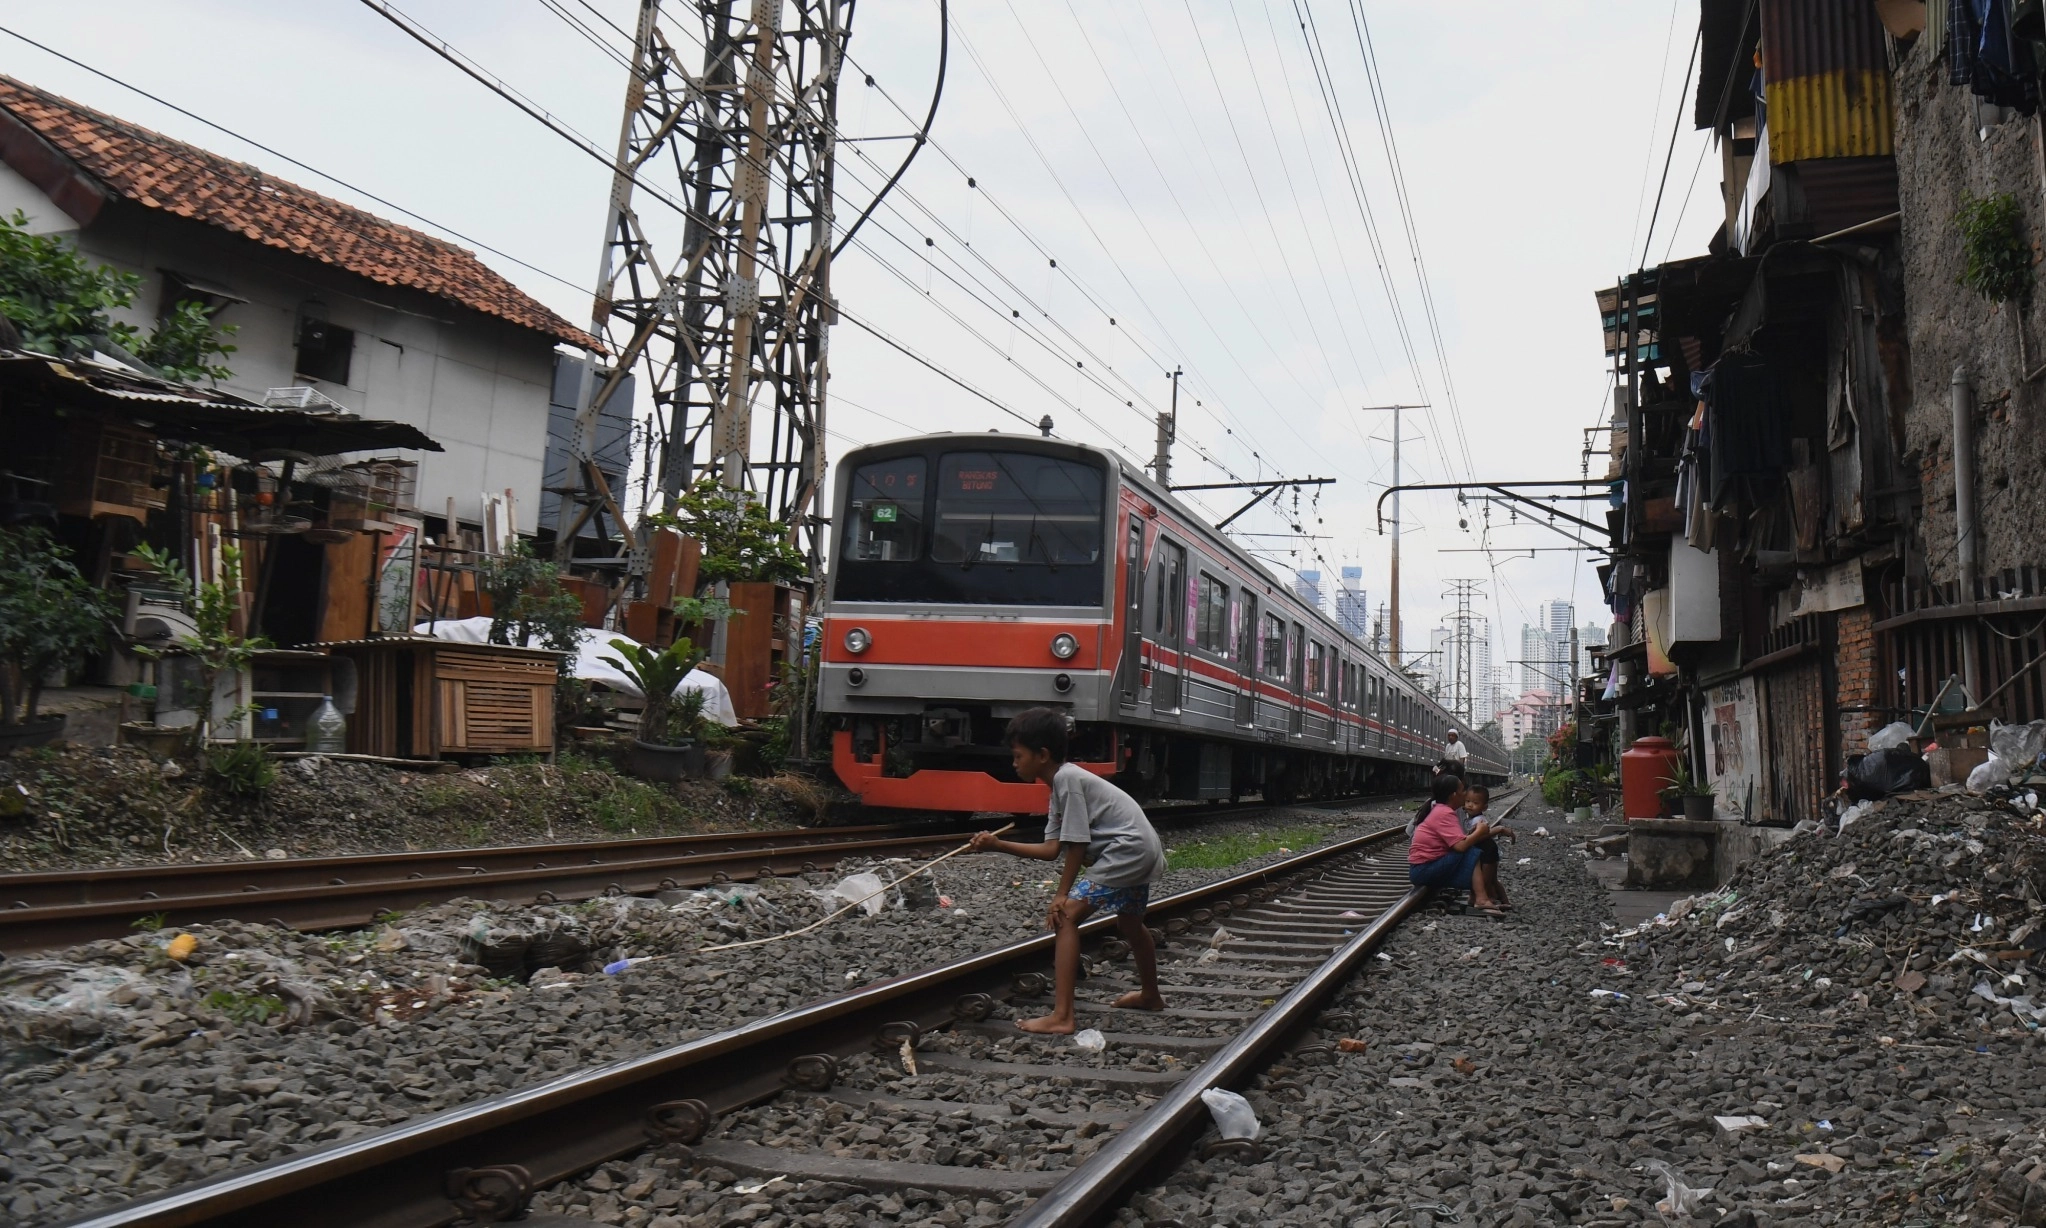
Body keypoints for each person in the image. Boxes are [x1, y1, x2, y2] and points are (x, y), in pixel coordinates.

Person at [969, 707, 1167, 1034]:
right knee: (1130, 923)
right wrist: (997, 844)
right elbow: (1051, 850)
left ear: (1042, 755)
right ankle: (1150, 996)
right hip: (1139, 850)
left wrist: (1061, 895)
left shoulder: (1067, 779)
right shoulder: (1059, 788)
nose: (1014, 763)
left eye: (1018, 756)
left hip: (1126, 852)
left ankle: (1062, 1016)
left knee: (1065, 918)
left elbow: (1077, 843)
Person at [1407, 773, 1506, 916]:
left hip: (1425, 867)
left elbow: (1459, 841)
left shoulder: (1442, 810)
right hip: (1423, 870)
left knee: (1476, 847)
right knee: (1471, 851)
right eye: (1462, 790)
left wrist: (1475, 833)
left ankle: (1480, 896)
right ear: (1454, 795)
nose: (1465, 793)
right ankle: (1481, 899)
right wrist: (1479, 832)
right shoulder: (1444, 813)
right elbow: (1460, 846)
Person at [1462, 783, 1515, 911]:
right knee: (1491, 879)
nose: (1470, 805)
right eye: (1468, 801)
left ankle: (1488, 899)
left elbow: (1481, 836)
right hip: (1483, 851)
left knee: (1486, 880)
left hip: (1487, 851)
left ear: (1484, 807)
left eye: (1475, 803)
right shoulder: (1469, 818)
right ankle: (1504, 901)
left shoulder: (1479, 820)